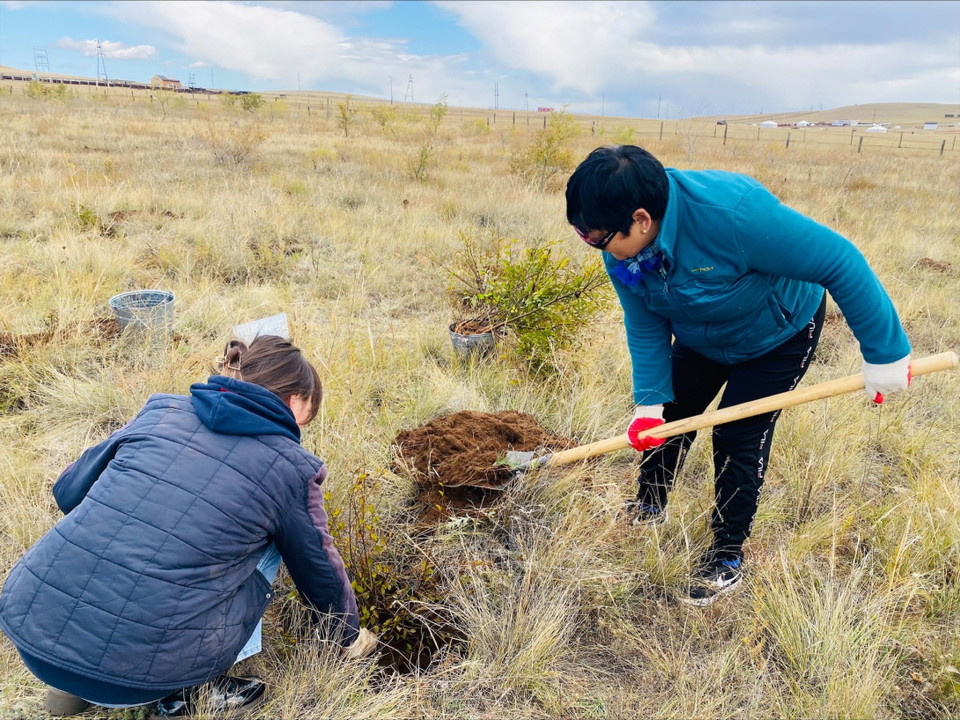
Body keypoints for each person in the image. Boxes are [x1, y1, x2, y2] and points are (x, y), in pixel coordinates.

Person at [565, 145, 911, 606]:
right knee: (670, 417)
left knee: (737, 434)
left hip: (777, 335)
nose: (594, 246)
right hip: (701, 335)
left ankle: (726, 554)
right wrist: (648, 404)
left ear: (642, 219)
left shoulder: (735, 214)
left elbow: (839, 260)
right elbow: (645, 325)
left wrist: (884, 354)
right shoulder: (621, 248)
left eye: (596, 237)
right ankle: (650, 504)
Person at [0, 335, 373, 717]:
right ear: (296, 400)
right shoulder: (291, 468)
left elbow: (67, 492)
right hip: (144, 674)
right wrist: (346, 636)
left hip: (34, 629)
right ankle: (191, 692)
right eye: (308, 411)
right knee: (276, 541)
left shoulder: (160, 411)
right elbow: (318, 568)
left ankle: (75, 682)